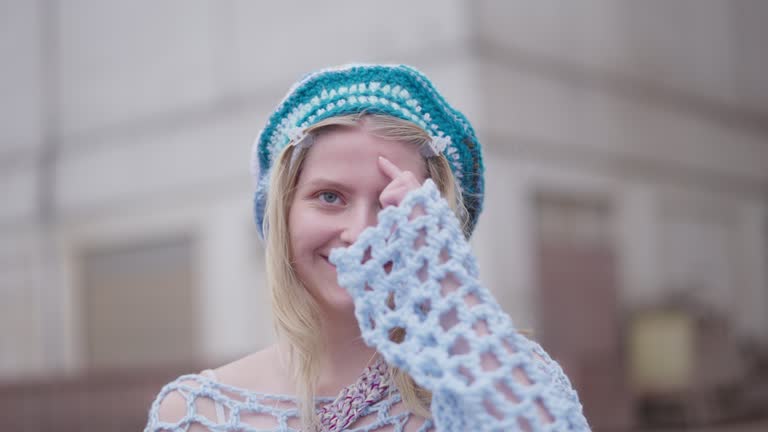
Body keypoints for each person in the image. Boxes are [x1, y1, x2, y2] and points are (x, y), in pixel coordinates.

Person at [145, 64, 590, 431]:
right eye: (330, 197)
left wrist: (449, 289)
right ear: (282, 214)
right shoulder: (194, 414)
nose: (359, 232)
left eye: (389, 202)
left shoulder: (502, 378)